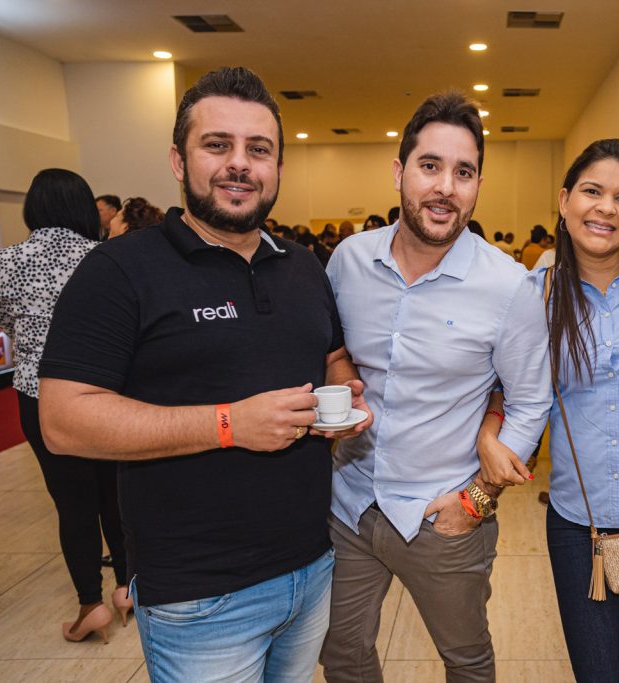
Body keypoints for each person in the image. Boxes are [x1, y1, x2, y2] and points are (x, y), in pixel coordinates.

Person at [38, 67, 371, 681]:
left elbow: (328, 355)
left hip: (311, 568)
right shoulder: (119, 269)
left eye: (259, 149)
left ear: (277, 167)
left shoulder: (302, 266)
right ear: (177, 159)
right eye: (217, 145)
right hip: (198, 594)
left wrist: (346, 395)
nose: (239, 164)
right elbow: (63, 419)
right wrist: (228, 424)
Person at [319, 91, 552, 682]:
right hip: (349, 502)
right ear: (399, 172)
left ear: (477, 185)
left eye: (464, 172)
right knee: (343, 656)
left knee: (466, 661)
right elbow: (331, 352)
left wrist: (475, 502)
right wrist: (338, 378)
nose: (446, 186)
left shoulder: (507, 286)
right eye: (430, 166)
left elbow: (531, 401)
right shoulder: (347, 261)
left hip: (441, 516)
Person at [480, 138, 619, 682]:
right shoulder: (538, 292)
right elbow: (508, 385)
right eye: (592, 191)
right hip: (584, 530)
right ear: (564, 202)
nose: (607, 207)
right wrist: (492, 436)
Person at [0, 168, 128, 644]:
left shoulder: (4, 262)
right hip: (107, 390)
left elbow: (6, 321)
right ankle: (128, 588)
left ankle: (90, 603)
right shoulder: (108, 257)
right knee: (115, 492)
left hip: (39, 393)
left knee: (71, 503)